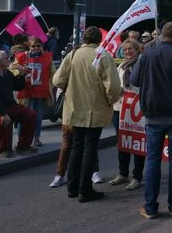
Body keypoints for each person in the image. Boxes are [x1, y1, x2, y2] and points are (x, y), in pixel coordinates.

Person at [130, 21, 172, 218]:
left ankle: (150, 207)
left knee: (153, 160)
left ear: (161, 36)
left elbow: (134, 80)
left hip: (152, 116)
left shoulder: (147, 55)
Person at [53, 27, 121, 203]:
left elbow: (57, 80)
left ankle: (73, 187)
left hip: (74, 109)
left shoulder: (73, 55)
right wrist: (109, 100)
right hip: (95, 109)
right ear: (99, 40)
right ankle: (85, 189)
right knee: (90, 147)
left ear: (84, 39)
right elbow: (113, 86)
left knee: (77, 146)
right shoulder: (103, 56)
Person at [109, 38, 145, 191]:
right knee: (122, 141)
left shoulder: (142, 64)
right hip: (120, 107)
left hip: (136, 108)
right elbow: (117, 82)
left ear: (137, 50)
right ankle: (123, 173)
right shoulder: (121, 65)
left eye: (131, 49)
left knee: (137, 142)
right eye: (126, 49)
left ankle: (137, 176)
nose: (128, 52)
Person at [0, 50, 37, 155]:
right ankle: (4, 149)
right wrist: (3, 114)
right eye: (5, 58)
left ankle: (23, 145)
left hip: (10, 105)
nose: (8, 60)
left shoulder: (7, 73)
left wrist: (21, 75)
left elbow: (18, 87)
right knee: (4, 121)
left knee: (31, 115)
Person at [15, 36, 56, 147]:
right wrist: (20, 70)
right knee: (24, 115)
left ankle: (36, 138)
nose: (36, 48)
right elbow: (12, 70)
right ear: (29, 46)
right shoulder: (21, 56)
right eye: (33, 46)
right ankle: (21, 138)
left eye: (39, 46)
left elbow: (53, 72)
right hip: (26, 91)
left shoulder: (47, 57)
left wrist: (51, 85)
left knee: (38, 116)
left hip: (40, 90)